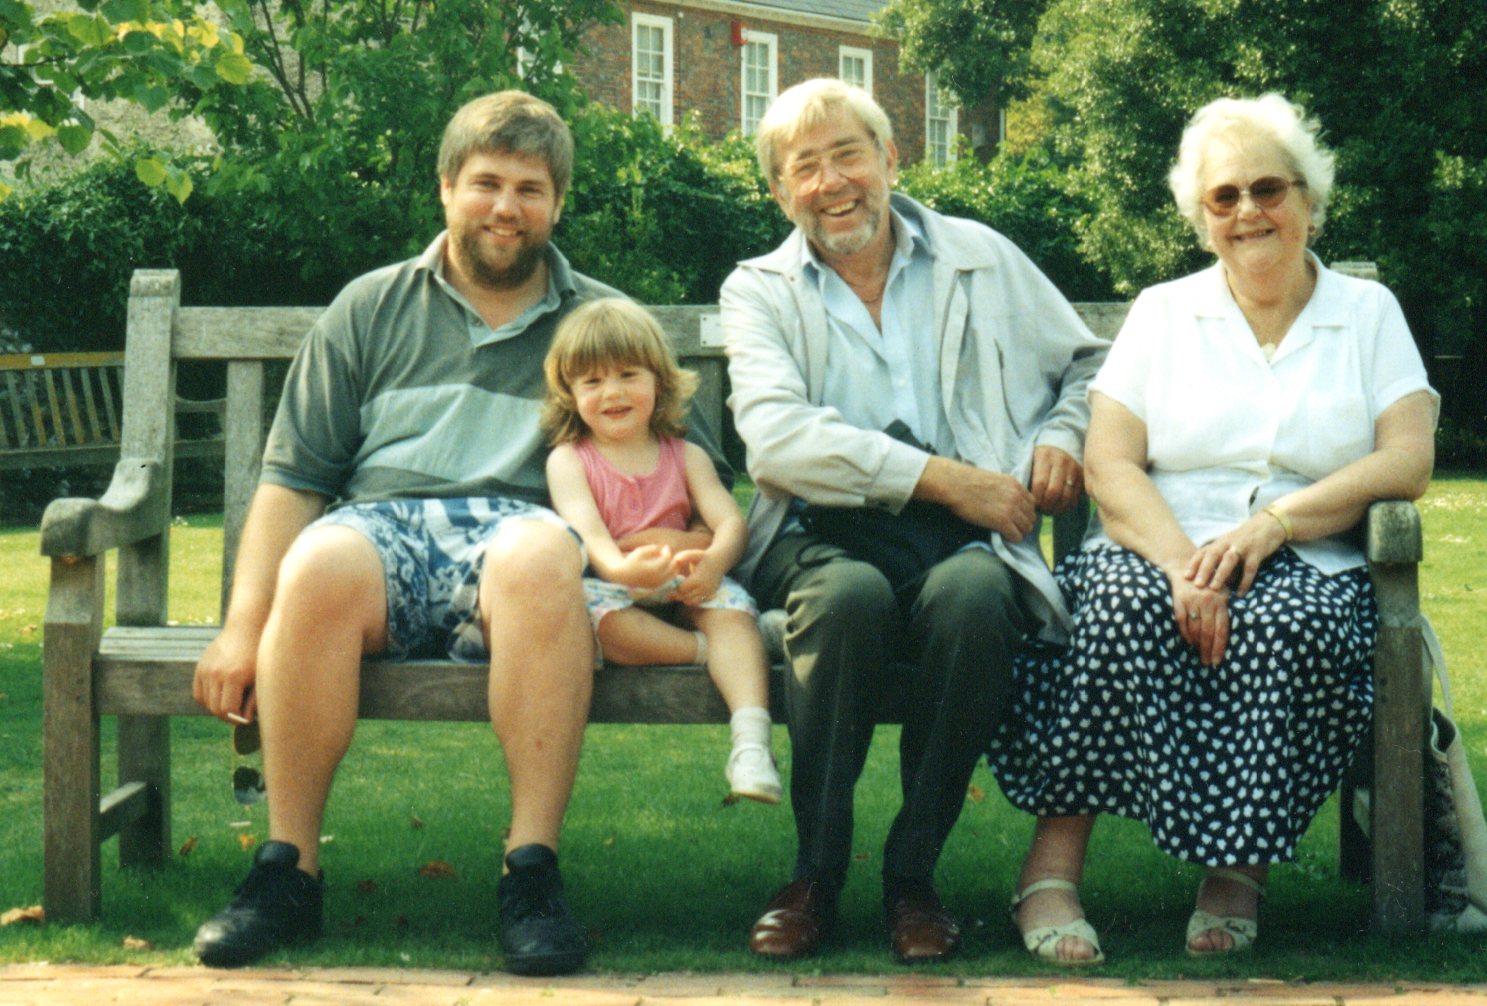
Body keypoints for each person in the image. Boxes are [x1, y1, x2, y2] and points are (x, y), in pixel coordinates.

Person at [988, 93, 1439, 963]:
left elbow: (1406, 459)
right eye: (1223, 197)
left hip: (1309, 551)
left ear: (1310, 199)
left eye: (1268, 189)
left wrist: (1275, 524)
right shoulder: (1165, 313)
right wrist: (1182, 566)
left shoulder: (1367, 313)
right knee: (1111, 612)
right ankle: (1050, 869)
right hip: (1160, 542)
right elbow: (1112, 461)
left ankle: (1236, 871)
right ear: (1201, 219)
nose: (1248, 212)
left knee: (1292, 627)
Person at [188, 90, 624, 975]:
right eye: (487, 183)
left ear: (558, 202)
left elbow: (649, 467)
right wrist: (242, 624)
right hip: (379, 532)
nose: (507, 207)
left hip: (516, 539)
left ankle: (530, 874)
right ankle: (287, 872)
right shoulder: (370, 307)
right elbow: (293, 481)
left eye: (531, 188)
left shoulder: (598, 323)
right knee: (318, 559)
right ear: (446, 188)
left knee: (545, 554)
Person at [722, 78, 1109, 963]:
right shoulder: (760, 290)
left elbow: (1089, 363)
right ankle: (814, 876)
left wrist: (1061, 433)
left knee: (976, 597)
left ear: (892, 159)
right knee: (851, 599)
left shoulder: (979, 255)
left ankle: (912, 876)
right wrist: (942, 480)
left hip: (963, 541)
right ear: (781, 193)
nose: (831, 182)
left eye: (848, 154)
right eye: (803, 168)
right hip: (819, 533)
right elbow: (777, 441)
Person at [542, 297, 782, 804]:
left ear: (658, 380)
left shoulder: (685, 454)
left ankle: (751, 745)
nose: (613, 392)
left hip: (685, 577)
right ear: (570, 393)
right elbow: (589, 534)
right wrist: (621, 568)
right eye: (592, 381)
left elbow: (729, 521)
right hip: (615, 583)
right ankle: (710, 654)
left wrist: (715, 563)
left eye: (629, 374)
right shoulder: (569, 460)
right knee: (591, 620)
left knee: (730, 613)